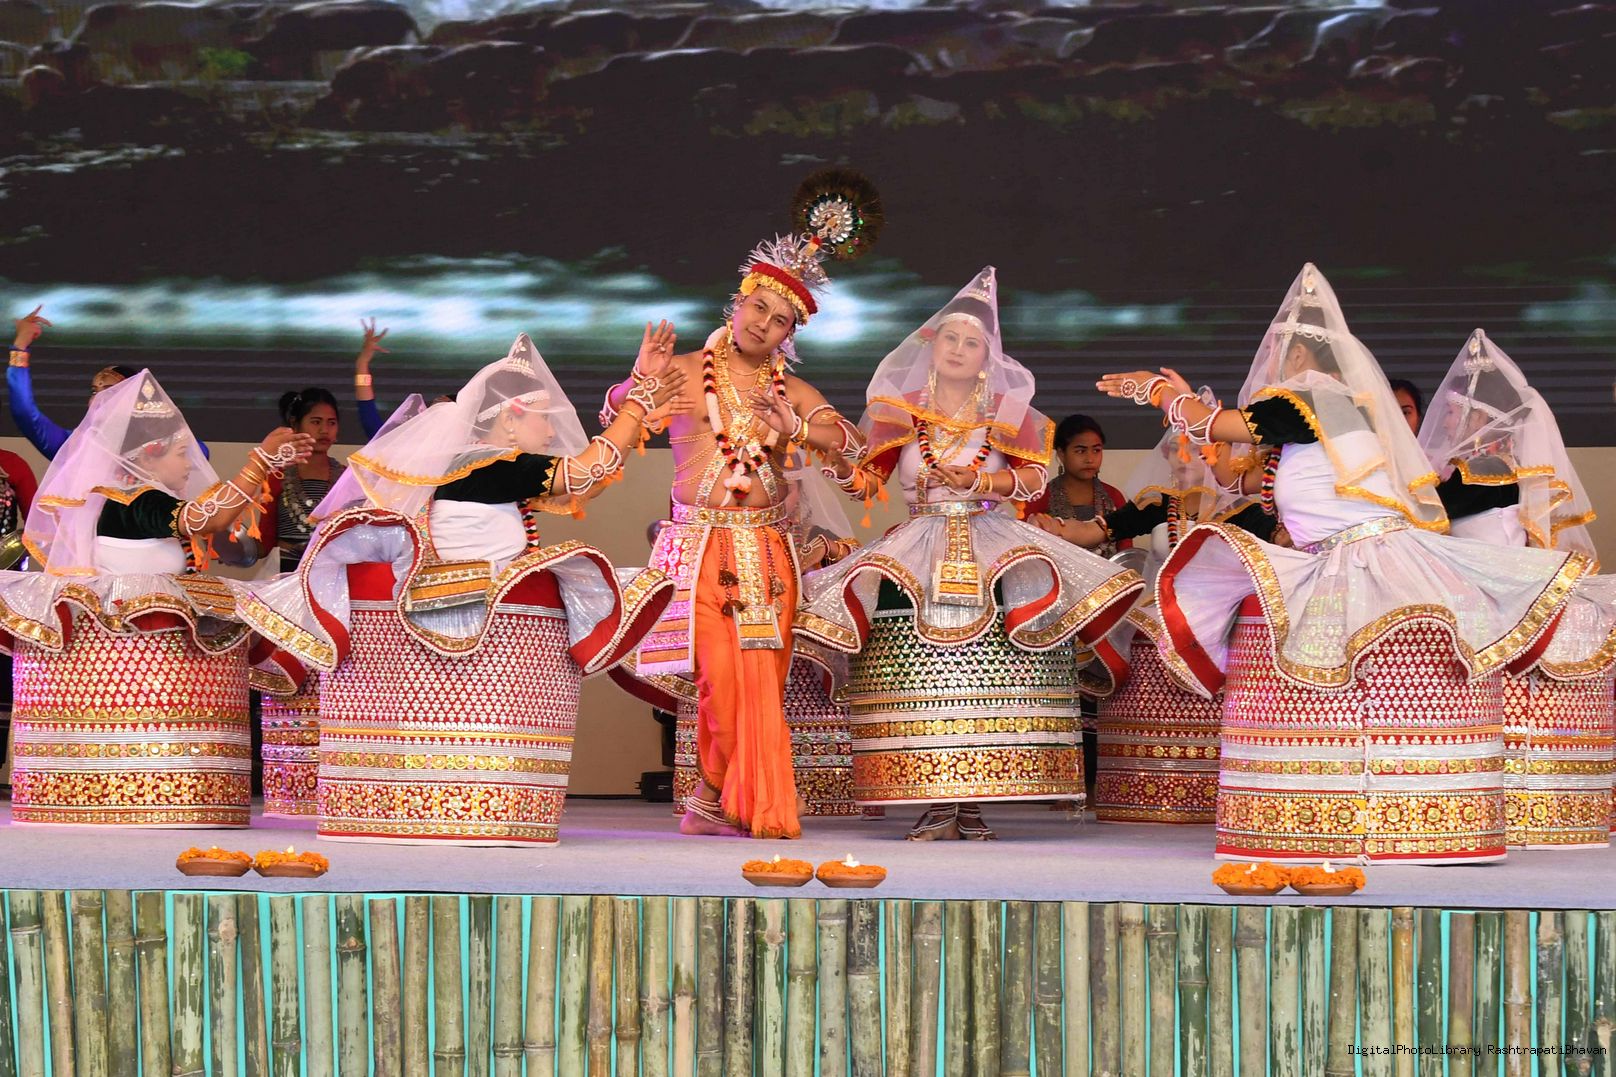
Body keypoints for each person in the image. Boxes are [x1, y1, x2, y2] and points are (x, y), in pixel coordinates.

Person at [1097, 264, 1589, 863]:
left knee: (1333, 668)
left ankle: (1378, 817)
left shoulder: (1313, 396)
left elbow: (1219, 427)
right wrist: (1189, 405)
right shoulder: (1319, 418)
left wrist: (1157, 391)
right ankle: (1345, 815)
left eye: (1279, 352)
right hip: (1338, 555)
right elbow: (1232, 472)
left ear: (1302, 354)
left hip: (1360, 558)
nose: (1270, 365)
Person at [235, 332, 683, 845]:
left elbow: (590, 479)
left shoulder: (478, 465)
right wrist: (637, 403)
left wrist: (636, 403)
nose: (552, 430)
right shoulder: (492, 461)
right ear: (510, 418)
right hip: (478, 611)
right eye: (545, 418)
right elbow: (585, 472)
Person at [794, 267, 1145, 840]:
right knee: (921, 675)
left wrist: (979, 482)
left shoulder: (1007, 410)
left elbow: (1033, 480)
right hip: (916, 548)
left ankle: (976, 798)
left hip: (992, 545)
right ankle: (934, 798)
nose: (959, 349)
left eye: (972, 342)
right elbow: (866, 483)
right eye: (950, 338)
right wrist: (832, 462)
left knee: (990, 673)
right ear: (931, 347)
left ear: (987, 357)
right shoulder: (901, 409)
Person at [603, 220, 876, 842]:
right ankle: (735, 796)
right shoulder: (683, 370)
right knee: (721, 679)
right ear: (739, 301)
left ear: (789, 334)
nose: (763, 324)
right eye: (759, 307)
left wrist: (796, 428)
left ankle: (711, 798)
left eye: (779, 320)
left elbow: (851, 448)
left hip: (767, 551)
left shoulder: (792, 391)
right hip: (698, 548)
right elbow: (621, 414)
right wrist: (637, 381)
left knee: (762, 685)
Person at [0, 370, 312, 826]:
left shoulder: (136, 495)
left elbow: (214, 527)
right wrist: (258, 462)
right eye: (181, 453)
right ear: (150, 453)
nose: (189, 464)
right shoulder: (134, 498)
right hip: (132, 643)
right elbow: (206, 519)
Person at [1033, 388, 1276, 824]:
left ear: (1219, 455)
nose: (1181, 460)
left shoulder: (1246, 511)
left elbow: (1275, 551)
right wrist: (1058, 529)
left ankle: (1211, 790)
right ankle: (1137, 785)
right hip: (1158, 615)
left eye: (1193, 450)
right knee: (1137, 641)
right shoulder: (1159, 504)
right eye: (1174, 451)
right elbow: (1097, 531)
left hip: (1220, 624)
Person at [1419, 329, 1616, 848]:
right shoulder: (1476, 470)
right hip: (1481, 584)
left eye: (1455, 411)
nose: (1446, 421)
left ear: (1482, 418)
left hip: (1494, 588)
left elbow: (1427, 519)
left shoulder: (1485, 468)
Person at [9, 306, 208, 459]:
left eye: (110, 390)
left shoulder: (155, 449)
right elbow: (24, 412)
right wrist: (20, 345)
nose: (98, 398)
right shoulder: (75, 447)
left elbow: (201, 453)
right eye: (94, 391)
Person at [1025, 414, 1128, 556]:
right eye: (1080, 451)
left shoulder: (1114, 496)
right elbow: (1025, 550)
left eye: (1096, 450)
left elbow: (1126, 554)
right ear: (1061, 453)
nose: (1090, 459)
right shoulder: (1040, 497)